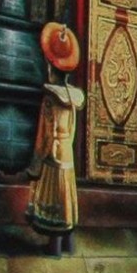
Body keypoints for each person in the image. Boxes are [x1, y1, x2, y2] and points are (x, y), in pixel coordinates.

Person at [26, 20, 87, 255]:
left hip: (53, 151)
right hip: (68, 151)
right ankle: (69, 244)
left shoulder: (51, 98)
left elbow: (44, 133)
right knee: (67, 197)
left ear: (50, 65)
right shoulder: (74, 96)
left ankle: (55, 248)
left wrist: (37, 159)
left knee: (54, 199)